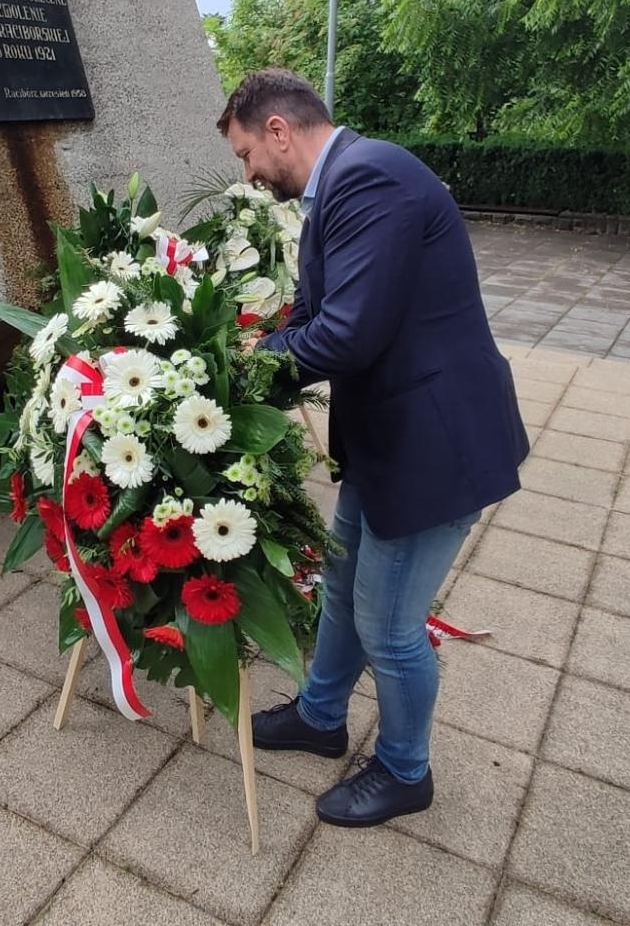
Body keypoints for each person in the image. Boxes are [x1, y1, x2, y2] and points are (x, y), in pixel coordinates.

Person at [218, 68, 528, 828]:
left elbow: (346, 335)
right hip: (392, 435)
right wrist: (251, 343)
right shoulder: (345, 180)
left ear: (279, 131)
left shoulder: (369, 178)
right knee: (344, 587)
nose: (249, 174)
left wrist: (241, 370)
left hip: (434, 444)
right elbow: (320, 312)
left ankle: (404, 770)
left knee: (389, 625)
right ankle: (321, 717)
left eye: (246, 153)